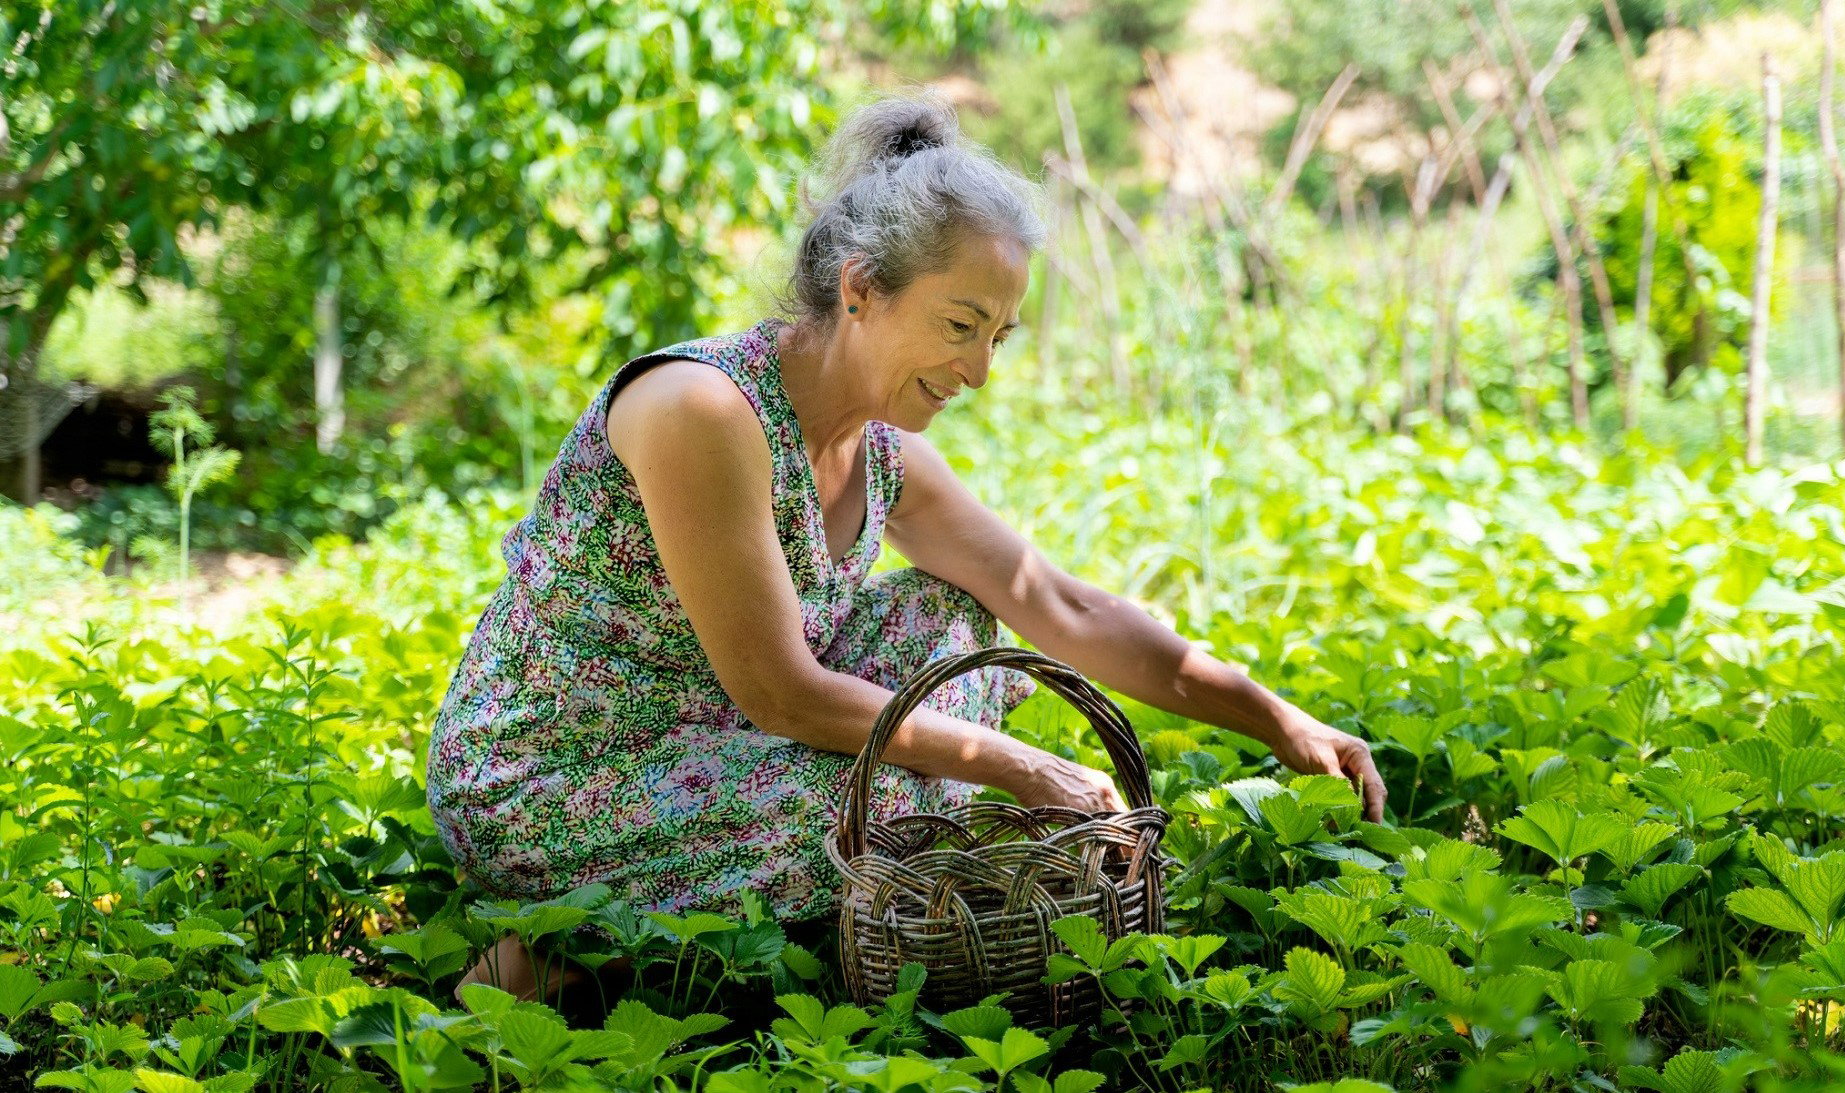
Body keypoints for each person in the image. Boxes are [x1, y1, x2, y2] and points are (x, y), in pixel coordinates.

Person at [425, 90, 1387, 1006]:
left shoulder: (883, 453)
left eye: (999, 337)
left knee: (960, 617)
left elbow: (1060, 603)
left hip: (713, 746)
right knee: (883, 805)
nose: (977, 371)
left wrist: (1277, 720)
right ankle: (547, 955)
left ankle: (720, 919)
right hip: (558, 773)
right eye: (960, 326)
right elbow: (782, 692)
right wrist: (1017, 764)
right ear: (861, 289)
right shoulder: (702, 410)